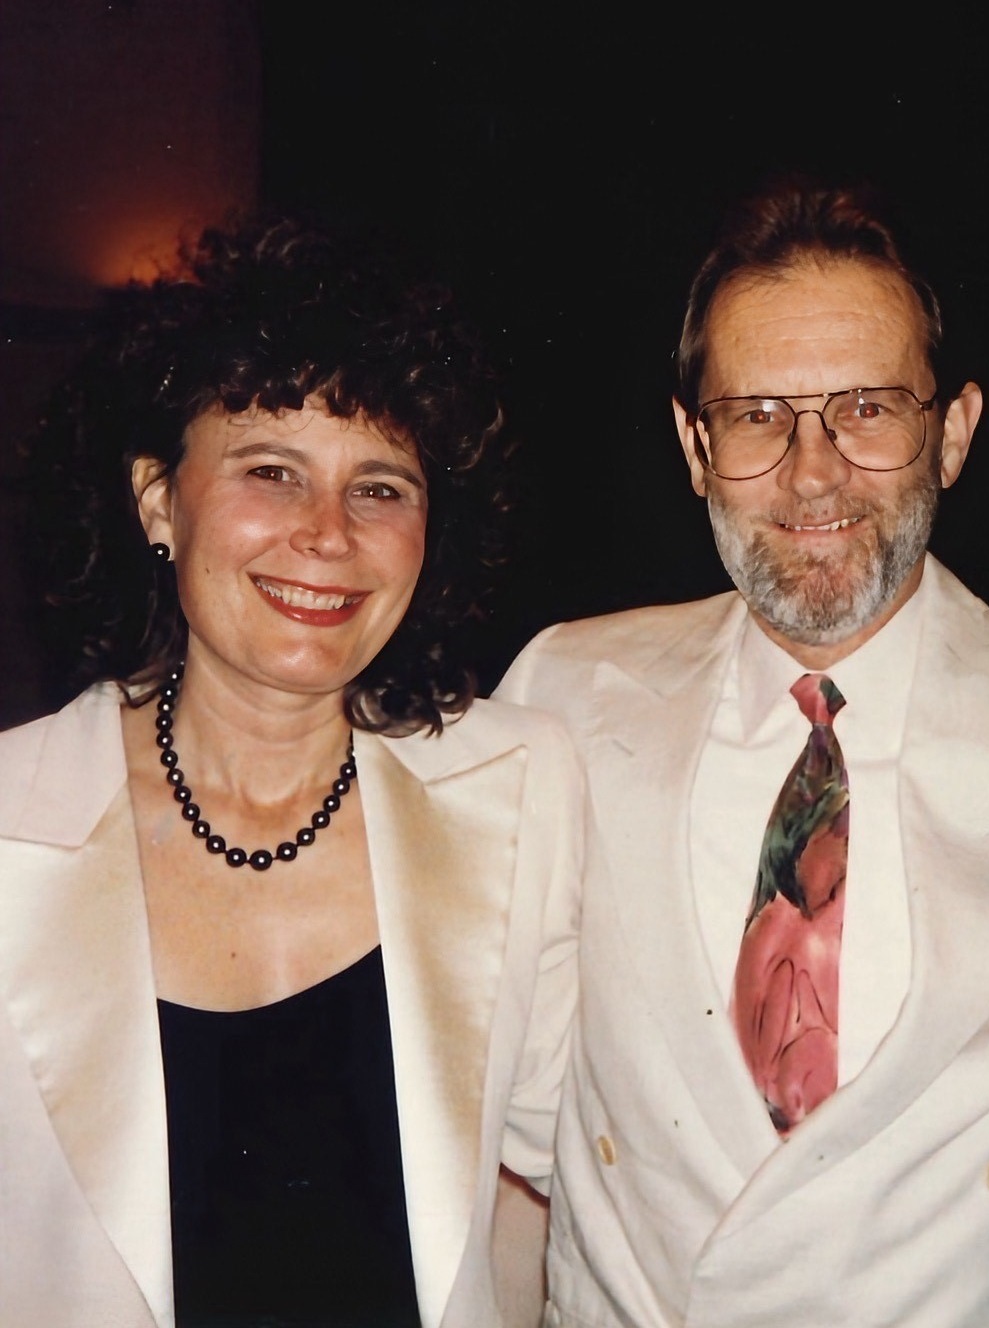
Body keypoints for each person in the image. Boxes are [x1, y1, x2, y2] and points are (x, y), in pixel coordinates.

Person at [0, 215, 581, 1328]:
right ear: (159, 501)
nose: (328, 534)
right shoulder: (10, 825)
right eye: (272, 470)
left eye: (381, 486)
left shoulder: (523, 782)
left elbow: (551, 1176)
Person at [495, 175, 989, 1325]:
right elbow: (508, 1134)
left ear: (954, 432)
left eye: (868, 408)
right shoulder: (567, 693)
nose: (812, 471)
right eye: (757, 416)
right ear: (695, 445)